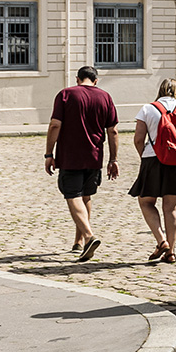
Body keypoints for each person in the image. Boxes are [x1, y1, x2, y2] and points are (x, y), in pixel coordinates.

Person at [45, 66, 119, 262]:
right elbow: (113, 131)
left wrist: (48, 153)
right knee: (86, 195)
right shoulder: (105, 97)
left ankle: (88, 236)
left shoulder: (66, 94)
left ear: (78, 79)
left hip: (70, 156)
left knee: (72, 195)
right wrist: (113, 159)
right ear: (96, 81)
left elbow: (55, 125)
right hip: (95, 156)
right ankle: (78, 243)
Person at [130, 78, 176, 265]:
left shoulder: (147, 109)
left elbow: (138, 139)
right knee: (171, 206)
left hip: (153, 159)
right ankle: (171, 252)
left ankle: (162, 240)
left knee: (146, 201)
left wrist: (145, 155)